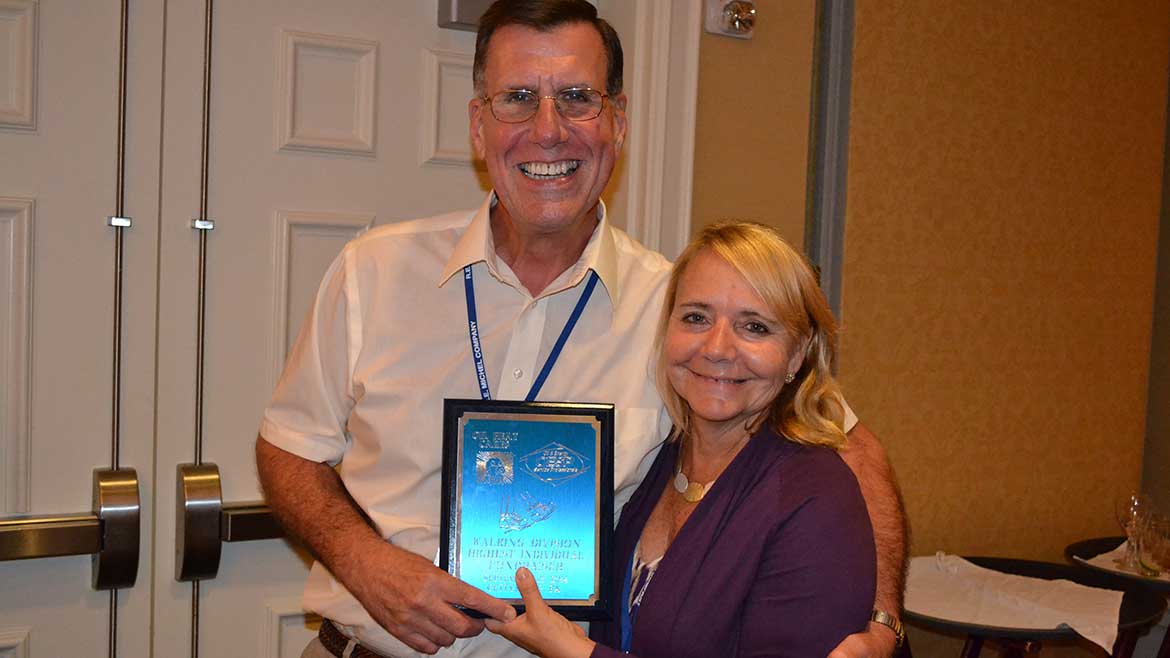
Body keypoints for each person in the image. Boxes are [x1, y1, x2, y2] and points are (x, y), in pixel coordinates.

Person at [255, 2, 907, 658]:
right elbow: (288, 447)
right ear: (478, 128)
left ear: (617, 124)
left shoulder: (679, 311)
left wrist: (881, 622)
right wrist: (367, 564)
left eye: (576, 98)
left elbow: (852, 451)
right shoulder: (374, 272)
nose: (548, 131)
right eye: (516, 99)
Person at [485, 222, 876, 658]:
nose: (717, 348)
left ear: (797, 354)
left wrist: (575, 652)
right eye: (696, 318)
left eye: (755, 327)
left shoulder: (816, 498)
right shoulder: (663, 457)